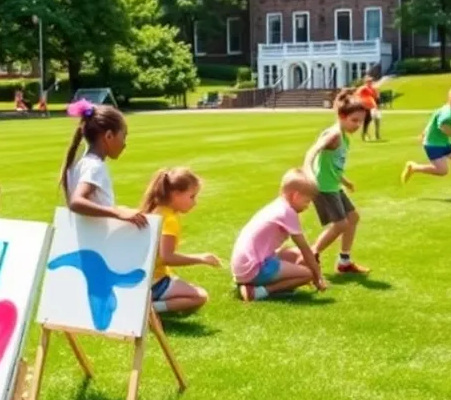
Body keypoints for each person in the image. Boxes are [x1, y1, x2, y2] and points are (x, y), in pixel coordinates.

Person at [303, 89, 371, 276]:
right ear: (342, 116)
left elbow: (331, 165)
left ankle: (344, 262)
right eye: (354, 120)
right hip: (323, 187)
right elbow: (312, 152)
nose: (358, 125)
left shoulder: (344, 137)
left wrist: (345, 181)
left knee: (353, 218)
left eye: (361, 121)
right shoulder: (334, 135)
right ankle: (311, 254)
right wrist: (307, 171)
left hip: (333, 185)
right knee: (341, 224)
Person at [230, 169, 323, 302]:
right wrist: (318, 276)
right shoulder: (288, 213)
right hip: (254, 268)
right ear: (295, 196)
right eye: (306, 201)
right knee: (307, 274)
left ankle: (251, 284)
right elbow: (305, 248)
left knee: (296, 254)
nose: (307, 206)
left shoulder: (278, 205)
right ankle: (258, 292)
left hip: (243, 266)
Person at [138, 168, 214, 314]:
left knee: (186, 290)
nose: (194, 203)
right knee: (200, 296)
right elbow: (167, 257)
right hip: (153, 281)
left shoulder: (155, 210)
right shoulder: (169, 220)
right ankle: (150, 311)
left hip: (143, 277)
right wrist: (201, 258)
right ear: (176, 194)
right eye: (192, 197)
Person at [61, 100, 145, 228]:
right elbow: (77, 202)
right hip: (97, 243)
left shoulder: (79, 163)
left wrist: (117, 208)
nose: (124, 144)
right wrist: (116, 213)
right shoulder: (95, 166)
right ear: (109, 136)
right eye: (123, 136)